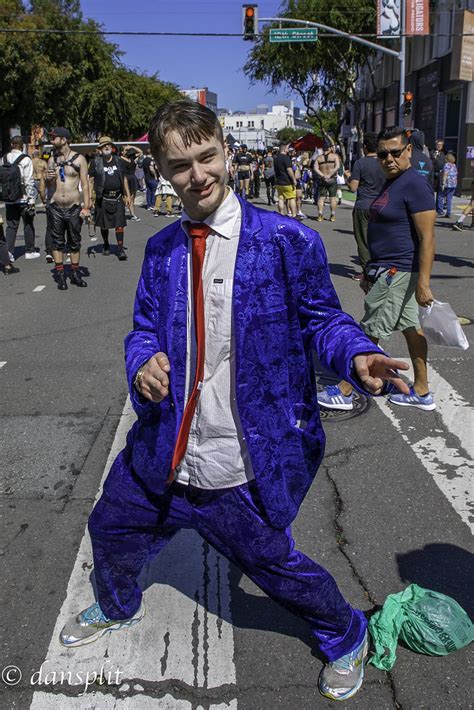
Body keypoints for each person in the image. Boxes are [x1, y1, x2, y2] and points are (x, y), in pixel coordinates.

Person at [59, 100, 410, 702]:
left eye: (207, 158)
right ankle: (117, 605)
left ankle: (345, 631)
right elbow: (143, 326)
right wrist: (142, 360)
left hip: (238, 458)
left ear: (226, 152)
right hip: (162, 450)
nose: (198, 176)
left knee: (275, 569)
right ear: (162, 172)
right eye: (180, 166)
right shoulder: (162, 248)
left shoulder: (286, 240)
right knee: (109, 528)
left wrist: (356, 355)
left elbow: (322, 320)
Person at [318, 126, 436, 412]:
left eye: (396, 152)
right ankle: (421, 391)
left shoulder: (414, 184)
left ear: (409, 150)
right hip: (386, 269)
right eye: (383, 154)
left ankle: (346, 389)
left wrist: (424, 283)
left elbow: (428, 238)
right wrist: (369, 270)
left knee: (370, 329)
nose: (389, 159)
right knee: (411, 329)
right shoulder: (392, 182)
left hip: (398, 271)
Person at [45, 127, 91, 290]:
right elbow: (49, 184)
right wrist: (48, 179)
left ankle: (75, 273)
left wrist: (86, 207)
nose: (51, 140)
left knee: (74, 242)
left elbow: (85, 185)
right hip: (56, 206)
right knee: (57, 243)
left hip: (73, 207)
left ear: (63, 140)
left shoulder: (80, 160)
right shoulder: (52, 159)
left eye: (54, 138)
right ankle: (60, 275)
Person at [345, 132, 386, 279]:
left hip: (363, 204)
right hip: (382, 205)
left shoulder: (360, 163)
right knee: (379, 238)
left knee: (363, 239)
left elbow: (353, 187)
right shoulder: (384, 162)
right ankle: (381, 268)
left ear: (364, 147)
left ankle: (367, 271)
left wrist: (347, 177)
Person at [89, 136, 130, 260]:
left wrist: (127, 195)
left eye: (108, 145)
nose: (106, 147)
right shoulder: (96, 162)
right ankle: (106, 244)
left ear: (112, 147)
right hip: (103, 198)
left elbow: (124, 179)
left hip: (117, 197)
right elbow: (91, 180)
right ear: (100, 149)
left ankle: (120, 248)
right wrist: (90, 198)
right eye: (103, 145)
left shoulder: (119, 161)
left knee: (119, 225)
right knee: (103, 225)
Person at [4, 135, 39, 260]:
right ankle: (30, 250)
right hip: (23, 197)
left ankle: (9, 252)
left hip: (8, 198)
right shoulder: (25, 159)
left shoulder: (3, 159)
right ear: (22, 145)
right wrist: (31, 199)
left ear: (11, 144)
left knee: (11, 226)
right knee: (28, 223)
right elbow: (29, 180)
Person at [314, 142, 341, 222]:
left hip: (322, 180)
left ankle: (320, 215)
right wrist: (330, 175)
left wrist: (323, 175)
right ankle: (332, 215)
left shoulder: (319, 158)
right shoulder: (334, 156)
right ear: (329, 148)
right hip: (332, 179)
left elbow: (315, 168)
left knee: (321, 198)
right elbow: (337, 166)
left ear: (323, 149)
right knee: (332, 198)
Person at [274, 143, 297, 216]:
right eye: (287, 148)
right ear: (284, 149)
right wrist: (294, 179)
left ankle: (281, 213)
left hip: (278, 181)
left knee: (281, 198)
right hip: (287, 181)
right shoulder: (286, 158)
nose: (288, 150)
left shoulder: (276, 158)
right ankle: (294, 214)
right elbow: (289, 170)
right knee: (291, 198)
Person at [120, 146, 142, 221]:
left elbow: (140, 152)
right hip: (125, 178)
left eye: (127, 150)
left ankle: (132, 214)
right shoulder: (119, 159)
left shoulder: (131, 157)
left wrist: (132, 146)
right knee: (125, 197)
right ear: (122, 152)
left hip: (133, 178)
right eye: (125, 150)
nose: (127, 151)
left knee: (132, 197)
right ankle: (126, 212)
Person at [437, 153, 457, 218]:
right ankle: (448, 212)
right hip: (453, 185)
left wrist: (443, 183)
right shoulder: (454, 165)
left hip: (447, 184)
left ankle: (440, 211)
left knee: (440, 196)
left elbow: (445, 174)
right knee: (449, 198)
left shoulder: (446, 165)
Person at [431, 139, 446, 214]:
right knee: (432, 192)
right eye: (438, 145)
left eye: (440, 145)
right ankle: (431, 207)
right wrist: (434, 157)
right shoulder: (432, 153)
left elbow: (444, 164)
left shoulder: (443, 154)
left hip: (441, 174)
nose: (439, 146)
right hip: (433, 174)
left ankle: (439, 209)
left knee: (440, 193)